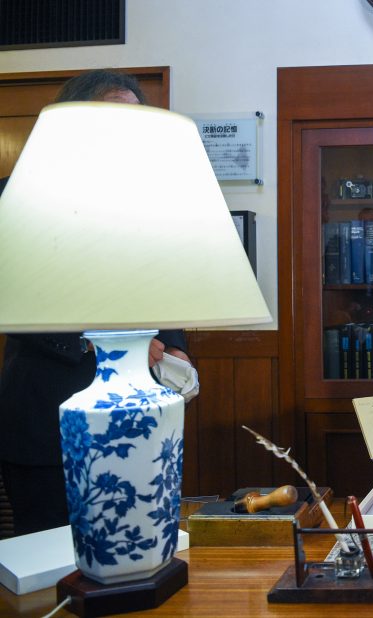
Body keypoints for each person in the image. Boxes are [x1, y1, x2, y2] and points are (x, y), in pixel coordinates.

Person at [0, 69, 195, 536]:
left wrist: (175, 345)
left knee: (131, 545)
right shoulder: (20, 191)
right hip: (46, 418)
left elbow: (163, 284)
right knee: (51, 562)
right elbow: (16, 294)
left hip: (135, 423)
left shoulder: (148, 201)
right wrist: (100, 341)